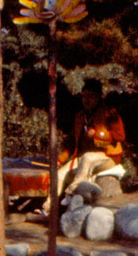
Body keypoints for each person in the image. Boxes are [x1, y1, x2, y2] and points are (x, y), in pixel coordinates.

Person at [43, 78, 125, 214]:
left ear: (99, 97)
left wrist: (98, 134)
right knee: (59, 174)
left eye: (91, 96)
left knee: (87, 157)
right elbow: (71, 143)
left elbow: (120, 135)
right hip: (84, 158)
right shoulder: (80, 117)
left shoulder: (109, 112)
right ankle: (48, 207)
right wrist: (60, 160)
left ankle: (70, 193)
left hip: (108, 157)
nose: (86, 100)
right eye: (84, 96)